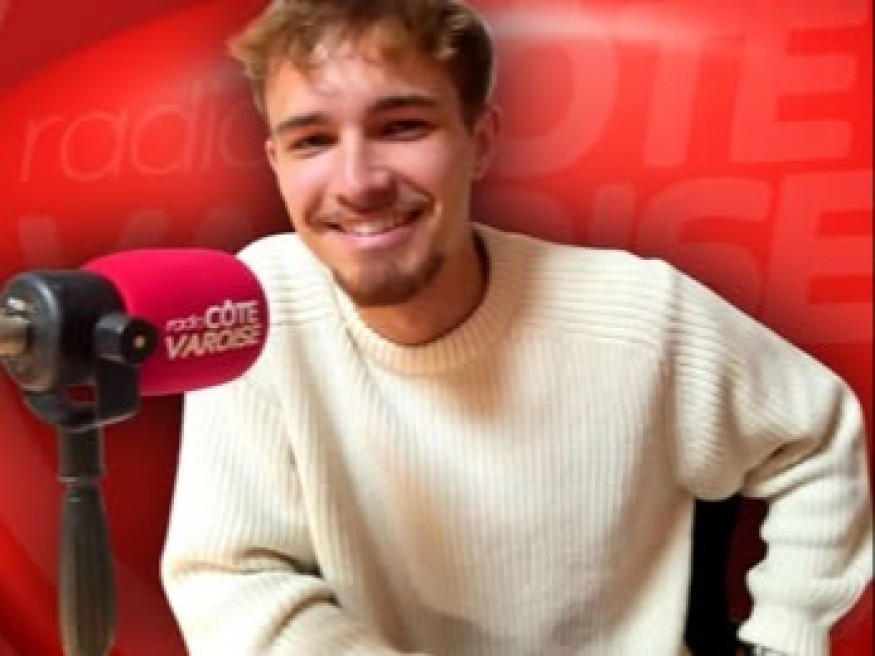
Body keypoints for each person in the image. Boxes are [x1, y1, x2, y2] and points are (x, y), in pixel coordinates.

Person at [160, 1, 873, 654]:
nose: (358, 182)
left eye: (402, 127)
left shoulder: (639, 315)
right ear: (276, 163)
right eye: (312, 140)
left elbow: (816, 436)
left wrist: (788, 631)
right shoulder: (255, 309)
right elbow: (232, 575)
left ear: (480, 139)